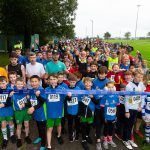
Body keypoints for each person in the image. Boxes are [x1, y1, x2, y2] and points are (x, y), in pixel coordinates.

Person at [122, 70, 145, 149]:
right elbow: (126, 99)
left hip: (137, 108)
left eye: (141, 77)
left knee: (131, 124)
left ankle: (129, 139)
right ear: (134, 76)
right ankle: (125, 139)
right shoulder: (129, 86)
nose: (140, 78)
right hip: (130, 108)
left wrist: (141, 106)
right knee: (127, 125)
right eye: (138, 77)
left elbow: (143, 95)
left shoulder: (141, 84)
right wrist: (127, 111)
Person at [7, 77, 32, 148]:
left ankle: (27, 136)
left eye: (21, 84)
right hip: (18, 112)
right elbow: (9, 102)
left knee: (26, 124)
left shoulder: (25, 91)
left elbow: (29, 102)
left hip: (26, 110)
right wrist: (9, 96)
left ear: (23, 84)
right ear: (15, 84)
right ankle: (19, 138)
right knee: (19, 126)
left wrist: (28, 97)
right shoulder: (13, 92)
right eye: (18, 84)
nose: (20, 85)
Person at [45, 74, 65, 149]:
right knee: (49, 128)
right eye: (51, 79)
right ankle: (49, 145)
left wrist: (69, 96)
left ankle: (59, 135)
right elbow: (42, 99)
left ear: (57, 80)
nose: (53, 81)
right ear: (49, 81)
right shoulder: (46, 89)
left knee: (59, 124)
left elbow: (67, 99)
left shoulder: (62, 89)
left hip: (59, 112)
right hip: (50, 112)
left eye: (54, 79)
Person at [27, 75, 47, 150]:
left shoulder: (42, 90)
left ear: (39, 82)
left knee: (42, 128)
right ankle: (40, 137)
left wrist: (38, 96)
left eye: (35, 81)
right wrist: (27, 102)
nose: (34, 83)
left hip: (42, 113)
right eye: (32, 81)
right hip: (36, 113)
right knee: (38, 126)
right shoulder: (31, 90)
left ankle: (43, 144)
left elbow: (42, 101)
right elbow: (31, 102)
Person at [92, 66, 110, 150]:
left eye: (103, 74)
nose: (101, 76)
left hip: (106, 107)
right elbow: (92, 93)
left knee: (106, 123)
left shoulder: (108, 82)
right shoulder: (94, 81)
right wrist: (96, 100)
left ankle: (105, 139)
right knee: (98, 123)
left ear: (106, 74)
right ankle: (98, 140)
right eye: (99, 74)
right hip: (97, 105)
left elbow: (110, 94)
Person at [80, 77, 98, 150]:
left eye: (89, 82)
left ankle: (87, 136)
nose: (87, 84)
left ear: (92, 84)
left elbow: (97, 102)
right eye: (86, 82)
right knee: (83, 125)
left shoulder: (94, 91)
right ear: (84, 84)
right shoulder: (81, 91)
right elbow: (79, 102)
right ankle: (83, 140)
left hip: (91, 111)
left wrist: (93, 97)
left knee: (89, 125)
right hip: (84, 112)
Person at [100, 82, 120, 149]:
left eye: (112, 87)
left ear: (114, 87)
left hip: (113, 116)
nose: (110, 89)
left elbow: (117, 107)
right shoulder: (104, 97)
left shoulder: (116, 96)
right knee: (106, 128)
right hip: (106, 117)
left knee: (111, 128)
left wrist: (116, 116)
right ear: (106, 88)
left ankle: (110, 139)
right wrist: (103, 117)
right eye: (109, 87)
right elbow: (102, 108)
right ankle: (105, 140)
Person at [0, 76, 15, 149]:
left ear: (6, 82)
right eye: (0, 84)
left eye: (3, 83)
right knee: (3, 123)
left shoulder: (10, 90)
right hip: (1, 111)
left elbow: (11, 101)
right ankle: (5, 138)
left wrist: (4, 104)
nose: (2, 85)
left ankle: (12, 135)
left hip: (8, 109)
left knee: (10, 122)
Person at [65, 74, 81, 142]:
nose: (72, 83)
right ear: (68, 81)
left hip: (76, 109)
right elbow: (65, 100)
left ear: (76, 82)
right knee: (70, 124)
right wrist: (68, 97)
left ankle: (77, 134)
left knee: (77, 123)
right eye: (71, 82)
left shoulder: (78, 89)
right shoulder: (66, 89)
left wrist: (80, 110)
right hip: (69, 110)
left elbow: (80, 100)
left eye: (74, 82)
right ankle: (70, 135)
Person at [142, 80, 150, 144]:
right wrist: (143, 113)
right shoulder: (146, 92)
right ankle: (147, 139)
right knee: (148, 124)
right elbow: (143, 104)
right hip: (148, 113)